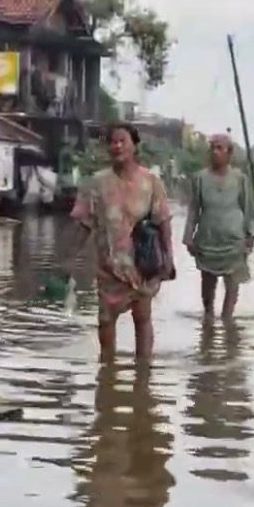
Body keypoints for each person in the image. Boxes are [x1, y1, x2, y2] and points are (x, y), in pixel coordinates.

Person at [64, 124, 175, 359]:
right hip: (109, 265)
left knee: (142, 317)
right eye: (113, 142)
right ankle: (107, 368)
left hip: (141, 264)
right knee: (105, 319)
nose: (117, 146)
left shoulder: (151, 182)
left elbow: (163, 221)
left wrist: (168, 258)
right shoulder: (97, 182)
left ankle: (143, 370)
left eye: (123, 141)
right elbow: (83, 223)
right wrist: (69, 259)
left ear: (135, 146)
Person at [183, 133, 254, 319]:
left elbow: (249, 208)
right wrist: (188, 237)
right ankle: (208, 319)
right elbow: (194, 209)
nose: (215, 152)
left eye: (219, 148)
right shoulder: (200, 178)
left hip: (234, 241)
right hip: (208, 240)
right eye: (212, 148)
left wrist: (251, 235)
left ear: (229, 153)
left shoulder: (240, 179)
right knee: (207, 285)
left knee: (232, 284)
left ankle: (227, 320)